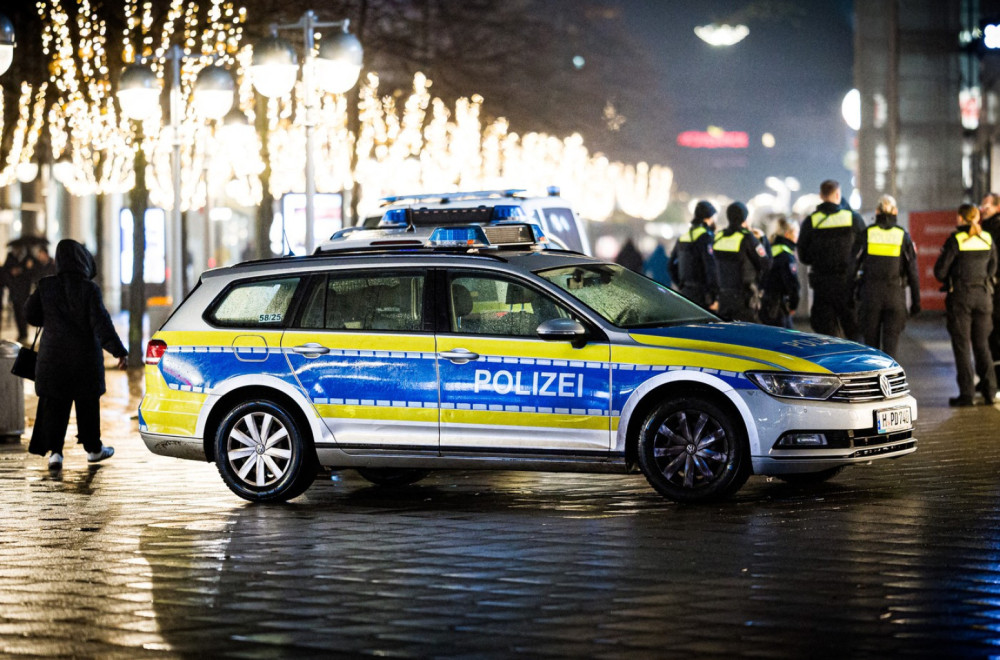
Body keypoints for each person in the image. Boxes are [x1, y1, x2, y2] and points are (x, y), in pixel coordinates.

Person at [24, 239, 128, 469]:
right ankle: (93, 449)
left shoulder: (46, 286)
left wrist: (49, 319)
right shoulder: (89, 289)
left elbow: (30, 315)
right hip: (84, 360)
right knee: (88, 405)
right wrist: (118, 352)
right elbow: (102, 323)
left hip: (53, 359)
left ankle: (55, 453)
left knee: (55, 405)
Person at [934, 203, 997, 407]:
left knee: (962, 347)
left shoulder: (956, 239)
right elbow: (994, 267)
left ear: (961, 219)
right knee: (982, 345)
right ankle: (990, 391)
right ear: (977, 218)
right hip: (984, 297)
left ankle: (967, 394)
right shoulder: (987, 238)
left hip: (961, 298)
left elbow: (940, 272)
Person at [797, 180, 866, 339]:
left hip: (822, 285)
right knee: (854, 334)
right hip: (847, 284)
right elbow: (864, 247)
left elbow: (803, 255)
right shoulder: (852, 218)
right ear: (837, 195)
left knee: (826, 336)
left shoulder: (811, 221)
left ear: (821, 196)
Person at [854, 195, 921, 359]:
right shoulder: (902, 236)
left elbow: (852, 267)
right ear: (895, 211)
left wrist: (850, 295)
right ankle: (890, 384)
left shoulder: (867, 234)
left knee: (871, 351)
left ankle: (871, 384)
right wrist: (916, 302)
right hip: (894, 297)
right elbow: (913, 271)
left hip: (870, 296)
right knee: (891, 350)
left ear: (877, 211)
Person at [713, 202, 770, 322]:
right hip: (744, 299)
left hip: (723, 297)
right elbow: (766, 263)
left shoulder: (719, 237)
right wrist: (763, 239)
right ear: (745, 218)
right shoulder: (747, 238)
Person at [669, 200, 720, 311]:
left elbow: (670, 266)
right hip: (702, 295)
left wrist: (681, 285)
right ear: (708, 218)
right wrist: (714, 296)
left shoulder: (683, 237)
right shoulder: (706, 237)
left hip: (685, 292)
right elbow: (710, 268)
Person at [760, 217, 801, 329]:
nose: (798, 236)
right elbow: (792, 284)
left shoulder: (770, 249)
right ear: (788, 234)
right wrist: (793, 305)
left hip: (764, 304)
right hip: (778, 307)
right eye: (796, 233)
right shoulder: (786, 255)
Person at [979, 192, 1000, 383]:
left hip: (996, 290)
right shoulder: (983, 228)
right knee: (987, 335)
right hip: (988, 291)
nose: (983, 210)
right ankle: (989, 380)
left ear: (997, 207)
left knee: (996, 336)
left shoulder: (996, 228)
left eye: (987, 206)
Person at [2, 245, 33, 344]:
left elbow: (32, 273)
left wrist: (24, 269)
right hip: (14, 290)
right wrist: (12, 272)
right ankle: (21, 333)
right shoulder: (10, 256)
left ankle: (24, 333)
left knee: (23, 312)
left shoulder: (28, 257)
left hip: (24, 291)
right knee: (17, 313)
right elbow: (5, 272)